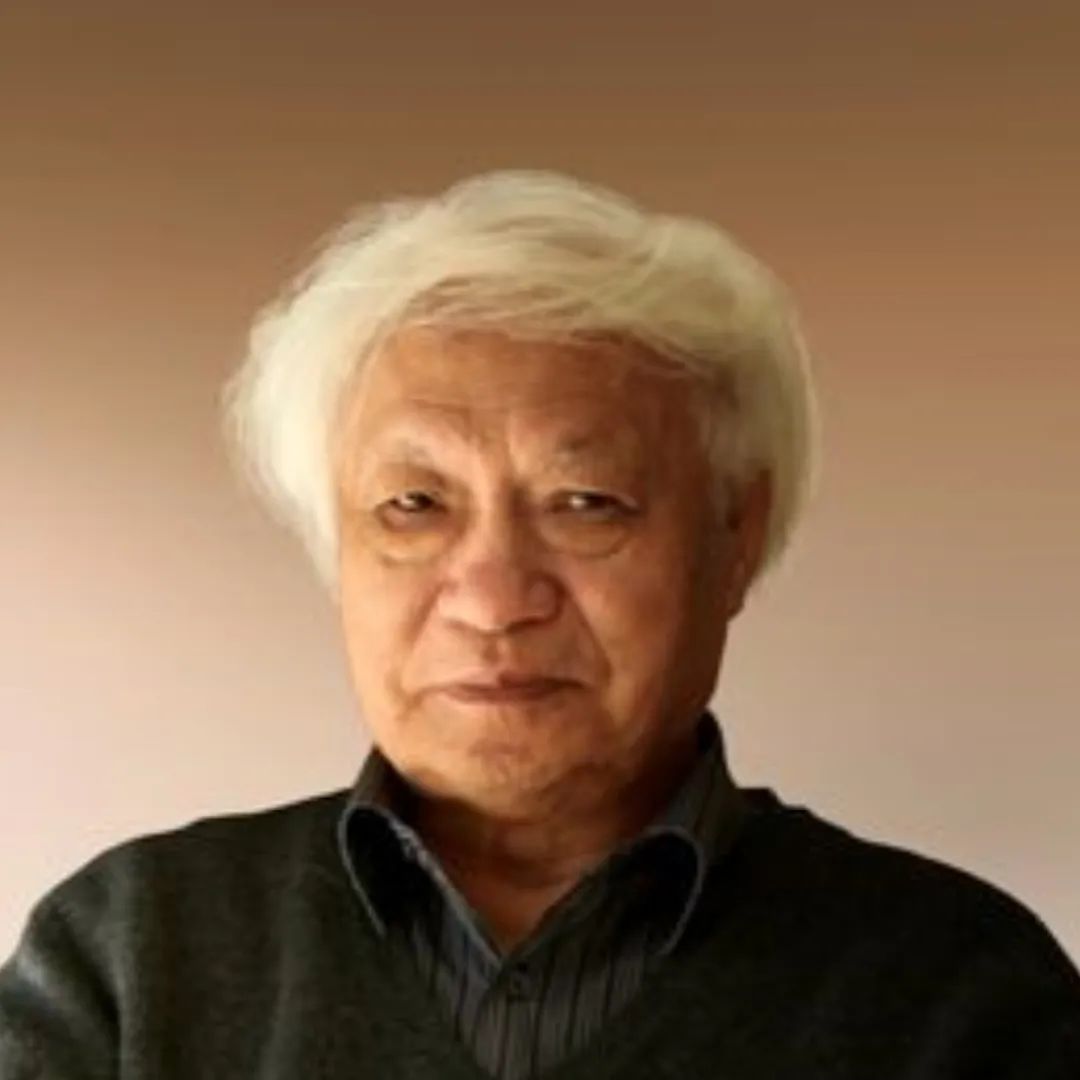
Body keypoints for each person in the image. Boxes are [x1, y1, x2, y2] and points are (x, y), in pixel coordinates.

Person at [2, 170, 1077, 1079]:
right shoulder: (131, 960)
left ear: (734, 535)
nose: (493, 598)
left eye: (585, 503)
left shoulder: (956, 992)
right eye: (413, 506)